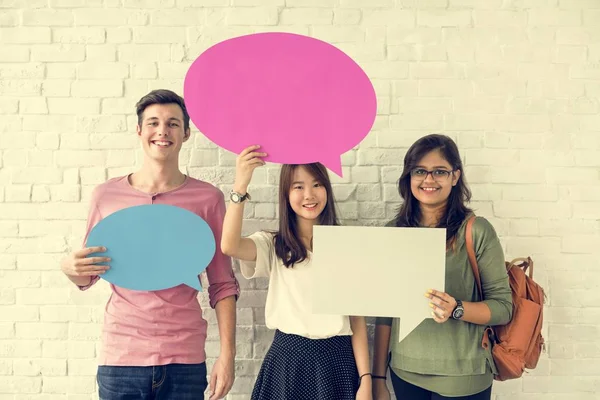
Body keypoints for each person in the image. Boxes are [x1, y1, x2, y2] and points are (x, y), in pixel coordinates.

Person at [60, 89, 239, 400]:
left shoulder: (208, 199)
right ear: (139, 130)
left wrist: (228, 356)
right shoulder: (106, 196)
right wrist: (68, 267)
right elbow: (89, 273)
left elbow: (223, 283)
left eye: (172, 123)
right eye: (153, 122)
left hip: (185, 360)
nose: (162, 131)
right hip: (122, 358)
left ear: (186, 133)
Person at [221, 146, 372, 400]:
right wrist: (240, 185)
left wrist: (366, 379)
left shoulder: (346, 244)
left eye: (317, 185)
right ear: (286, 194)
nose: (309, 195)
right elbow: (229, 245)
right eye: (298, 187)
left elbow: (357, 319)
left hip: (338, 362)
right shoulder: (273, 244)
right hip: (288, 362)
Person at [372, 134, 513, 400]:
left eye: (439, 171)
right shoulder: (393, 232)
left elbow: (503, 307)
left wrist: (457, 308)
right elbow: (385, 315)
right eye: (420, 171)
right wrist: (378, 377)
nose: (428, 180)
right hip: (404, 372)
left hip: (464, 377)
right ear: (409, 177)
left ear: (455, 176)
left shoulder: (476, 231)